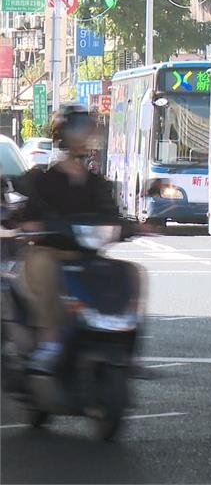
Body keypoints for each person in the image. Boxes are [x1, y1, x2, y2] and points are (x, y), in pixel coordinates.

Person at [15, 105, 144, 374]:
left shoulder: (97, 183)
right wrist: (31, 223)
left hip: (89, 256)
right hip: (51, 253)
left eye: (87, 130)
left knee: (132, 273)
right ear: (63, 135)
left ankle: (128, 348)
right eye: (78, 130)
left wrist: (132, 227)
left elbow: (112, 216)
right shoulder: (43, 180)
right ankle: (48, 341)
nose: (85, 136)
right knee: (45, 267)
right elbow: (27, 214)